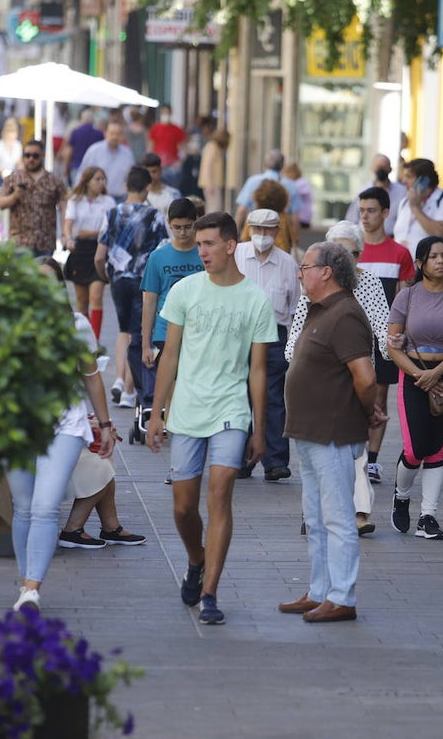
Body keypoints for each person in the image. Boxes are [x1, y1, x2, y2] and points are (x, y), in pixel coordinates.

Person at [146, 211, 276, 625]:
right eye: (198, 244)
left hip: (230, 410)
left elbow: (258, 370)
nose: (200, 250)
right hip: (187, 408)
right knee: (184, 508)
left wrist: (260, 426)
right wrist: (156, 412)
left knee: (220, 492)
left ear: (229, 245)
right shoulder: (185, 291)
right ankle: (196, 559)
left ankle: (210, 593)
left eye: (208, 244)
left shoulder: (255, 299)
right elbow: (170, 356)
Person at [8, 258, 118, 611]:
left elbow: (90, 377)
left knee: (44, 506)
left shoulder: (76, 325)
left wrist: (105, 424)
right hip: (16, 426)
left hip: (65, 425)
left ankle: (32, 586)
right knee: (24, 507)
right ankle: (27, 584)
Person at [278, 242, 378, 623]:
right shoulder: (319, 310)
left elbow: (365, 378)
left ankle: (342, 596)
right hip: (309, 431)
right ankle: (319, 590)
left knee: (337, 516)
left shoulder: (346, 314)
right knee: (315, 517)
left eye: (304, 266)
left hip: (332, 432)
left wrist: (366, 412)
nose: (299, 273)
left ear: (327, 272)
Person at [286, 222, 391, 535]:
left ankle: (358, 512)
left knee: (351, 454)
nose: (349, 260)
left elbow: (383, 329)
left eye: (354, 253)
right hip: (318, 384)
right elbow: (296, 339)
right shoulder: (313, 288)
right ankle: (316, 513)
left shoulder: (369, 283)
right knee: (318, 458)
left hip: (355, 378)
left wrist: (403, 353)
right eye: (341, 253)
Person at [387, 236, 443, 540]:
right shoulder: (407, 297)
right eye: (434, 256)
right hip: (412, 375)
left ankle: (428, 516)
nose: (441, 261)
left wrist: (438, 372)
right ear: (421, 263)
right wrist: (420, 375)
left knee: (437, 450)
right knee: (415, 448)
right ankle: (402, 494)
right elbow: (393, 344)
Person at [234, 208, 300, 481]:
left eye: (268, 230)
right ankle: (240, 459)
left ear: (276, 231)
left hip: (274, 336)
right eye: (257, 229)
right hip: (238, 337)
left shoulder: (288, 263)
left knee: (272, 397)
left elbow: (297, 309)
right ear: (249, 229)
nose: (262, 235)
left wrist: (294, 345)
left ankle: (275, 461)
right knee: (239, 395)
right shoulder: (235, 255)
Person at [355, 186, 415, 487]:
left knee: (378, 394)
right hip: (352, 334)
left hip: (384, 336)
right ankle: (355, 456)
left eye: (371, 211)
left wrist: (400, 334)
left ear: (386, 213)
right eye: (361, 210)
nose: (365, 216)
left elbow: (405, 299)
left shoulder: (400, 254)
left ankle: (373, 460)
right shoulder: (351, 251)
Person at [95, 166, 168, 409]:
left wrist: (105, 275)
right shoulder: (154, 216)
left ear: (126, 186)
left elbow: (99, 255)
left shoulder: (112, 213)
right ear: (148, 187)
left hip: (117, 279)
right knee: (139, 334)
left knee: (123, 330)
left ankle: (118, 378)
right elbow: (164, 249)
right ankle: (128, 390)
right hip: (143, 280)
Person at [140, 198, 203, 371]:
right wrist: (145, 345)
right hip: (165, 330)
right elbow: (149, 301)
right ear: (169, 224)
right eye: (177, 227)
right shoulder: (157, 257)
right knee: (171, 388)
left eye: (187, 227)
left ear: (196, 222)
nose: (182, 233)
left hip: (199, 331)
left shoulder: (205, 253)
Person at [62, 166, 115, 337]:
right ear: (87, 181)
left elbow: (110, 228)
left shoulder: (108, 202)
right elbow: (69, 223)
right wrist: (68, 237)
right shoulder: (75, 200)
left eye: (103, 179)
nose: (101, 183)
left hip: (99, 249)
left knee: (96, 295)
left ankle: (95, 339)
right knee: (81, 301)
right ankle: (84, 339)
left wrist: (91, 233)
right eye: (97, 179)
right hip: (80, 250)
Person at [0, 139, 67, 257]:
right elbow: (1, 203)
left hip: (45, 242)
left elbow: (64, 207)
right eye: (27, 155)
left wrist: (65, 234)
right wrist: (14, 196)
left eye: (35, 156)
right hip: (20, 241)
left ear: (42, 156)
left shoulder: (54, 180)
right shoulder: (14, 178)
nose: (31, 159)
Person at [393, 158, 443, 259]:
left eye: (409, 177)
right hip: (406, 269)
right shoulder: (405, 202)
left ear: (424, 180)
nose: (404, 181)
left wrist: (415, 208)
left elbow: (439, 233)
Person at [233, 149, 300, 228]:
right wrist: (294, 238)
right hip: (280, 231)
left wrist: (236, 234)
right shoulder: (291, 185)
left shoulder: (253, 181)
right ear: (282, 166)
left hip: (256, 229)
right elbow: (295, 216)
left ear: (265, 164)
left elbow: (241, 211)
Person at [345, 154, 407, 236]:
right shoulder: (363, 190)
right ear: (372, 169)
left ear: (390, 169)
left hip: (392, 239)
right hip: (365, 239)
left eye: (384, 167)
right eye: (378, 167)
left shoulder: (402, 191)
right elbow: (351, 218)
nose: (381, 170)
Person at [80, 121, 136, 202]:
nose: (115, 137)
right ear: (105, 133)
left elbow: (131, 177)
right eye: (112, 133)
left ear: (123, 136)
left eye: (118, 134)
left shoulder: (128, 154)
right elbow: (83, 173)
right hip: (99, 198)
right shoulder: (94, 151)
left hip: (121, 199)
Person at [62, 108, 105, 185]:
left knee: (77, 191)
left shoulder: (76, 132)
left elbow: (69, 152)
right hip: (94, 169)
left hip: (77, 167)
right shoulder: (99, 134)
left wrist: (66, 168)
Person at [0, 118, 24, 205]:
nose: (11, 135)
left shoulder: (18, 145)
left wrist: (20, 170)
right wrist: (3, 172)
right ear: (4, 132)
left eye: (13, 132)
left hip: (12, 177)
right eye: (9, 131)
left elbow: (19, 163)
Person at [198, 128, 230, 213]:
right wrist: (210, 183)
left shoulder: (212, 146)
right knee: (214, 207)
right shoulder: (213, 147)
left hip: (212, 182)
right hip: (212, 183)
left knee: (213, 206)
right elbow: (208, 166)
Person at [148, 105, 186, 174]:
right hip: (157, 165)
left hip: (172, 166)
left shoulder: (177, 129)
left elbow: (183, 148)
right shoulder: (155, 128)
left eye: (167, 113)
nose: (165, 115)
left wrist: (179, 161)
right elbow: (150, 146)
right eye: (163, 113)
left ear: (171, 113)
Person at [281, 162, 313, 229]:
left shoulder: (301, 183)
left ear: (293, 172)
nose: (285, 175)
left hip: (301, 218)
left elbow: (298, 194)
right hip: (298, 217)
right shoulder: (295, 182)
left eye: (287, 173)